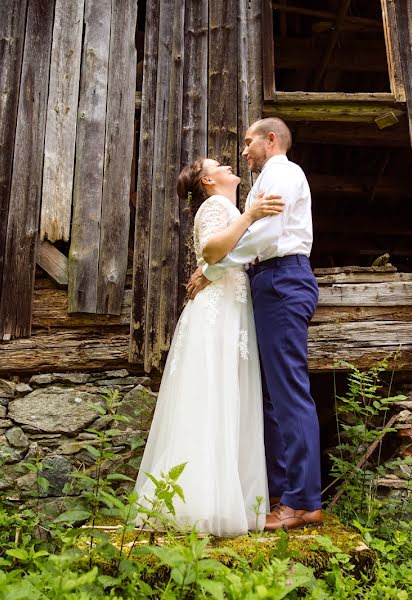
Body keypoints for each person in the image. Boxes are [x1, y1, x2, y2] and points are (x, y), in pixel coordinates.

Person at [133, 157, 285, 537]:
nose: (229, 164)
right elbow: (215, 250)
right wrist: (249, 215)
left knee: (220, 397)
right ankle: (198, 504)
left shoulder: (226, 207)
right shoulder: (216, 205)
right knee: (214, 397)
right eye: (219, 164)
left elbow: (223, 257)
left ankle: (219, 500)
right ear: (208, 179)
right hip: (218, 313)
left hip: (227, 307)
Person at [187, 118, 322, 531]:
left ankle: (302, 503)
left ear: (271, 139)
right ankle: (282, 492)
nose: (243, 152)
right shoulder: (267, 179)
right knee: (272, 397)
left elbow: (266, 235)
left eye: (248, 143)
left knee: (288, 393)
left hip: (282, 278)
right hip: (271, 282)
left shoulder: (280, 173)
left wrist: (211, 271)